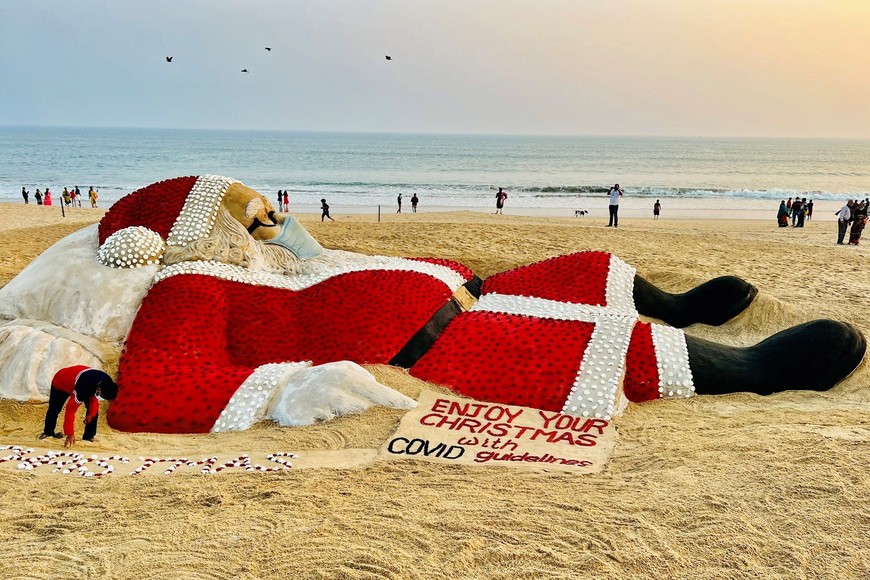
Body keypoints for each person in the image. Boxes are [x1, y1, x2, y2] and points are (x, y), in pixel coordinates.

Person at [1, 176, 863, 436]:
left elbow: (315, 255)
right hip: (420, 337)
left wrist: (302, 248)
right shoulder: (186, 288)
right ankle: (745, 370)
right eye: (254, 214)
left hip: (445, 288)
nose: (275, 221)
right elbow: (164, 387)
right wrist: (292, 392)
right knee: (582, 347)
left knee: (578, 269)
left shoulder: (280, 256)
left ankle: (672, 304)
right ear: (192, 230)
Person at [39, 365, 118, 447]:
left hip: (82, 379)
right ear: (99, 390)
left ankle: (88, 436)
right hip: (61, 381)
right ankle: (48, 432)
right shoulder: (83, 388)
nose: (103, 399)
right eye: (103, 397)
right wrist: (69, 434)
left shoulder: (107, 382)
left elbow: (94, 399)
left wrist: (91, 414)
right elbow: (70, 410)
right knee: (54, 409)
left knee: (94, 412)